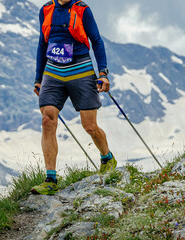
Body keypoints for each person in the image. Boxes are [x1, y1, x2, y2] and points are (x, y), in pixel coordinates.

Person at [31, 0, 117, 195]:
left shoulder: (83, 10)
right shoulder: (46, 10)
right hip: (52, 71)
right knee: (47, 119)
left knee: (90, 126)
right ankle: (50, 179)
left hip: (81, 70)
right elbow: (42, 44)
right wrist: (38, 78)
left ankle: (107, 157)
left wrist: (102, 73)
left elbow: (97, 41)